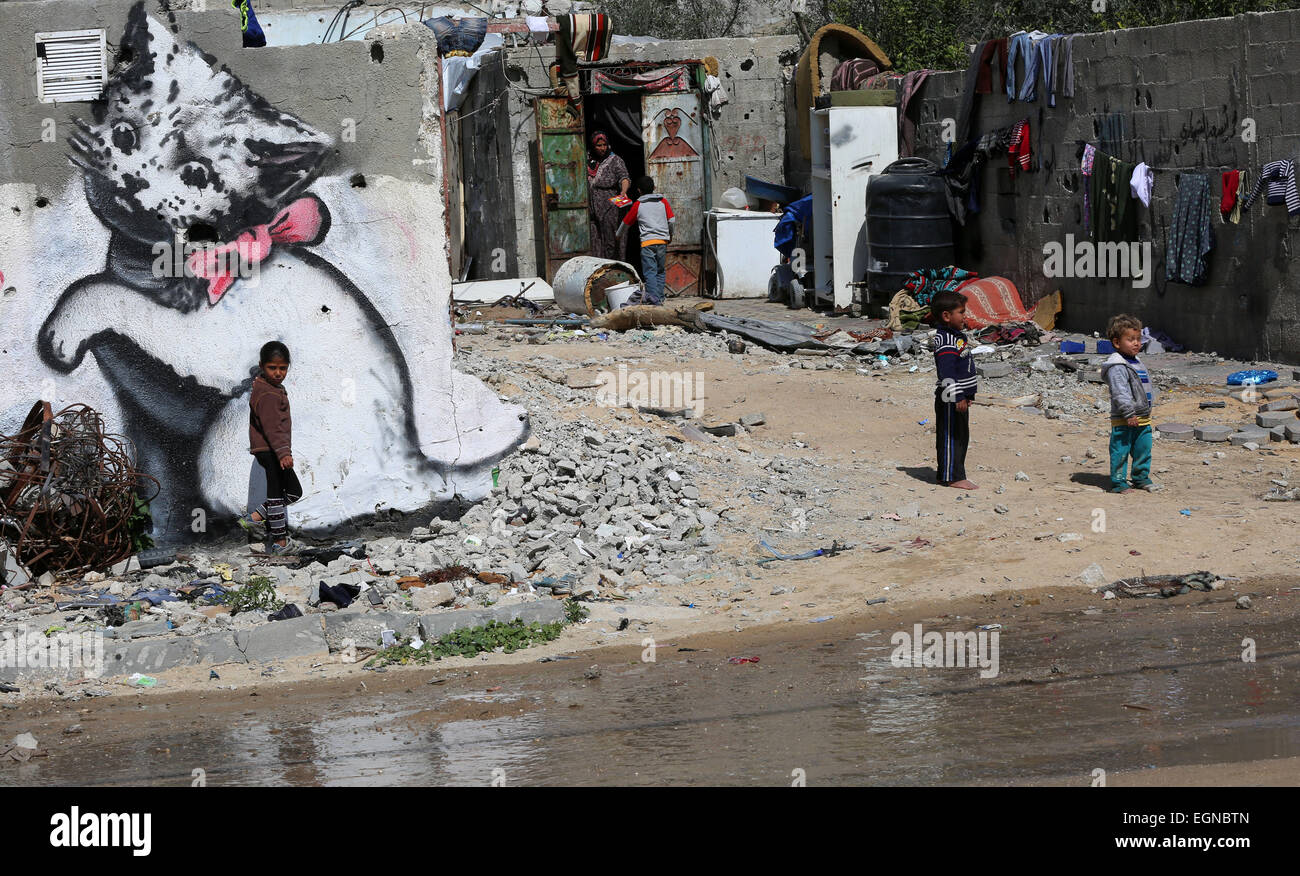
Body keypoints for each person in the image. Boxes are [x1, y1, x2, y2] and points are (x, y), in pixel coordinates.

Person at [237, 341, 303, 553]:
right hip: (271, 450)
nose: (278, 373)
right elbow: (272, 428)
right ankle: (280, 543)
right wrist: (283, 452)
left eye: (282, 368)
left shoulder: (270, 389)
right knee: (278, 495)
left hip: (271, 450)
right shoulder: (267, 394)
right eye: (272, 368)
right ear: (262, 366)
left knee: (292, 492)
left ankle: (255, 517)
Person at [1101, 314, 1161, 493]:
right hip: (1125, 418)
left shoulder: (1136, 362)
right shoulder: (1118, 366)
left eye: (1138, 339)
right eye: (1131, 339)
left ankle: (1141, 477)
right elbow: (1120, 393)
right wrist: (1128, 413)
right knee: (1120, 450)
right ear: (1117, 343)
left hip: (1142, 417)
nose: (1137, 343)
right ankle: (1118, 482)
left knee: (1143, 448)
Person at [929, 290, 978, 489]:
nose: (964, 316)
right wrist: (957, 395)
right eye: (961, 312)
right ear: (947, 316)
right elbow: (947, 372)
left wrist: (968, 395)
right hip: (950, 397)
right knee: (951, 437)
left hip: (958, 397)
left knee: (960, 435)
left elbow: (963, 369)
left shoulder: (956, 337)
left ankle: (951, 473)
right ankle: (952, 477)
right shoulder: (946, 341)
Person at [618, 176, 675, 305]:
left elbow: (626, 222)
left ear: (639, 190)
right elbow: (671, 220)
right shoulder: (663, 202)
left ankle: (653, 300)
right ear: (654, 188)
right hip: (662, 242)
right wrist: (670, 235)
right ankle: (659, 299)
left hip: (647, 243)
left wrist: (618, 235)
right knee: (660, 271)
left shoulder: (638, 205)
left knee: (650, 273)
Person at [587, 131, 630, 260]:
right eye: (599, 145)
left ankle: (614, 268)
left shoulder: (615, 160)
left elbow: (624, 177)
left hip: (609, 208)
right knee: (595, 241)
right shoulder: (587, 159)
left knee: (610, 240)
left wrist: (623, 191)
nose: (602, 148)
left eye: (604, 144)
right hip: (592, 209)